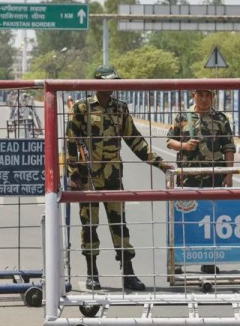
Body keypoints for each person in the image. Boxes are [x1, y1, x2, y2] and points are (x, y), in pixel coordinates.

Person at [66, 65, 173, 291]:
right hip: (87, 177)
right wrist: (74, 174)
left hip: (113, 175)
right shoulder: (81, 108)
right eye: (106, 81)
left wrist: (159, 163)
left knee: (119, 224)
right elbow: (70, 143)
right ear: (95, 82)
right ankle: (92, 273)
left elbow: (135, 141)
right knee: (89, 225)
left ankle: (128, 273)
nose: (111, 86)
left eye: (114, 81)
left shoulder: (120, 109)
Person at [166, 89, 235, 188]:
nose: (204, 99)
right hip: (187, 177)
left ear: (213, 96)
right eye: (200, 95)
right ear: (194, 95)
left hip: (214, 178)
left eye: (208, 95)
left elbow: (229, 148)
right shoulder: (182, 117)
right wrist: (184, 146)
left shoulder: (221, 119)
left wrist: (229, 175)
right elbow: (170, 141)